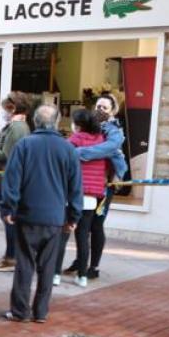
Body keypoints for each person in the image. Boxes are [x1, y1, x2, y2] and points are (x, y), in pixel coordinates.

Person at [0, 105, 81, 323]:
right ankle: (41, 312)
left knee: (24, 264)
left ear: (35, 121)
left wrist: (8, 207)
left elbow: (12, 179)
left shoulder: (24, 145)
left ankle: (19, 311)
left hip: (27, 215)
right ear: (56, 122)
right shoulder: (68, 149)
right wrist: (73, 216)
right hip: (54, 218)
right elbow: (75, 187)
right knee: (48, 266)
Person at [70, 94, 128, 280]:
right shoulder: (91, 127)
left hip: (106, 184)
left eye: (104, 107)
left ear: (113, 111)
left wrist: (80, 152)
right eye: (98, 106)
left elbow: (109, 148)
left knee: (96, 225)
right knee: (82, 225)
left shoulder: (114, 130)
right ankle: (81, 260)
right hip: (89, 182)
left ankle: (94, 266)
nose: (100, 110)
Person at [57, 109, 108, 288]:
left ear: (78, 125)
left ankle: (55, 274)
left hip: (72, 194)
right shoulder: (102, 142)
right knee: (83, 237)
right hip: (91, 197)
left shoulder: (74, 140)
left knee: (63, 235)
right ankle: (82, 276)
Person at [0, 91, 32, 273]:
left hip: (8, 178)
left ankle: (11, 257)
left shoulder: (17, 128)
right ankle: (10, 255)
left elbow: (6, 155)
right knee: (10, 218)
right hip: (10, 178)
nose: (4, 112)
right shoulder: (20, 127)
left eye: (6, 108)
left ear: (13, 108)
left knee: (9, 218)